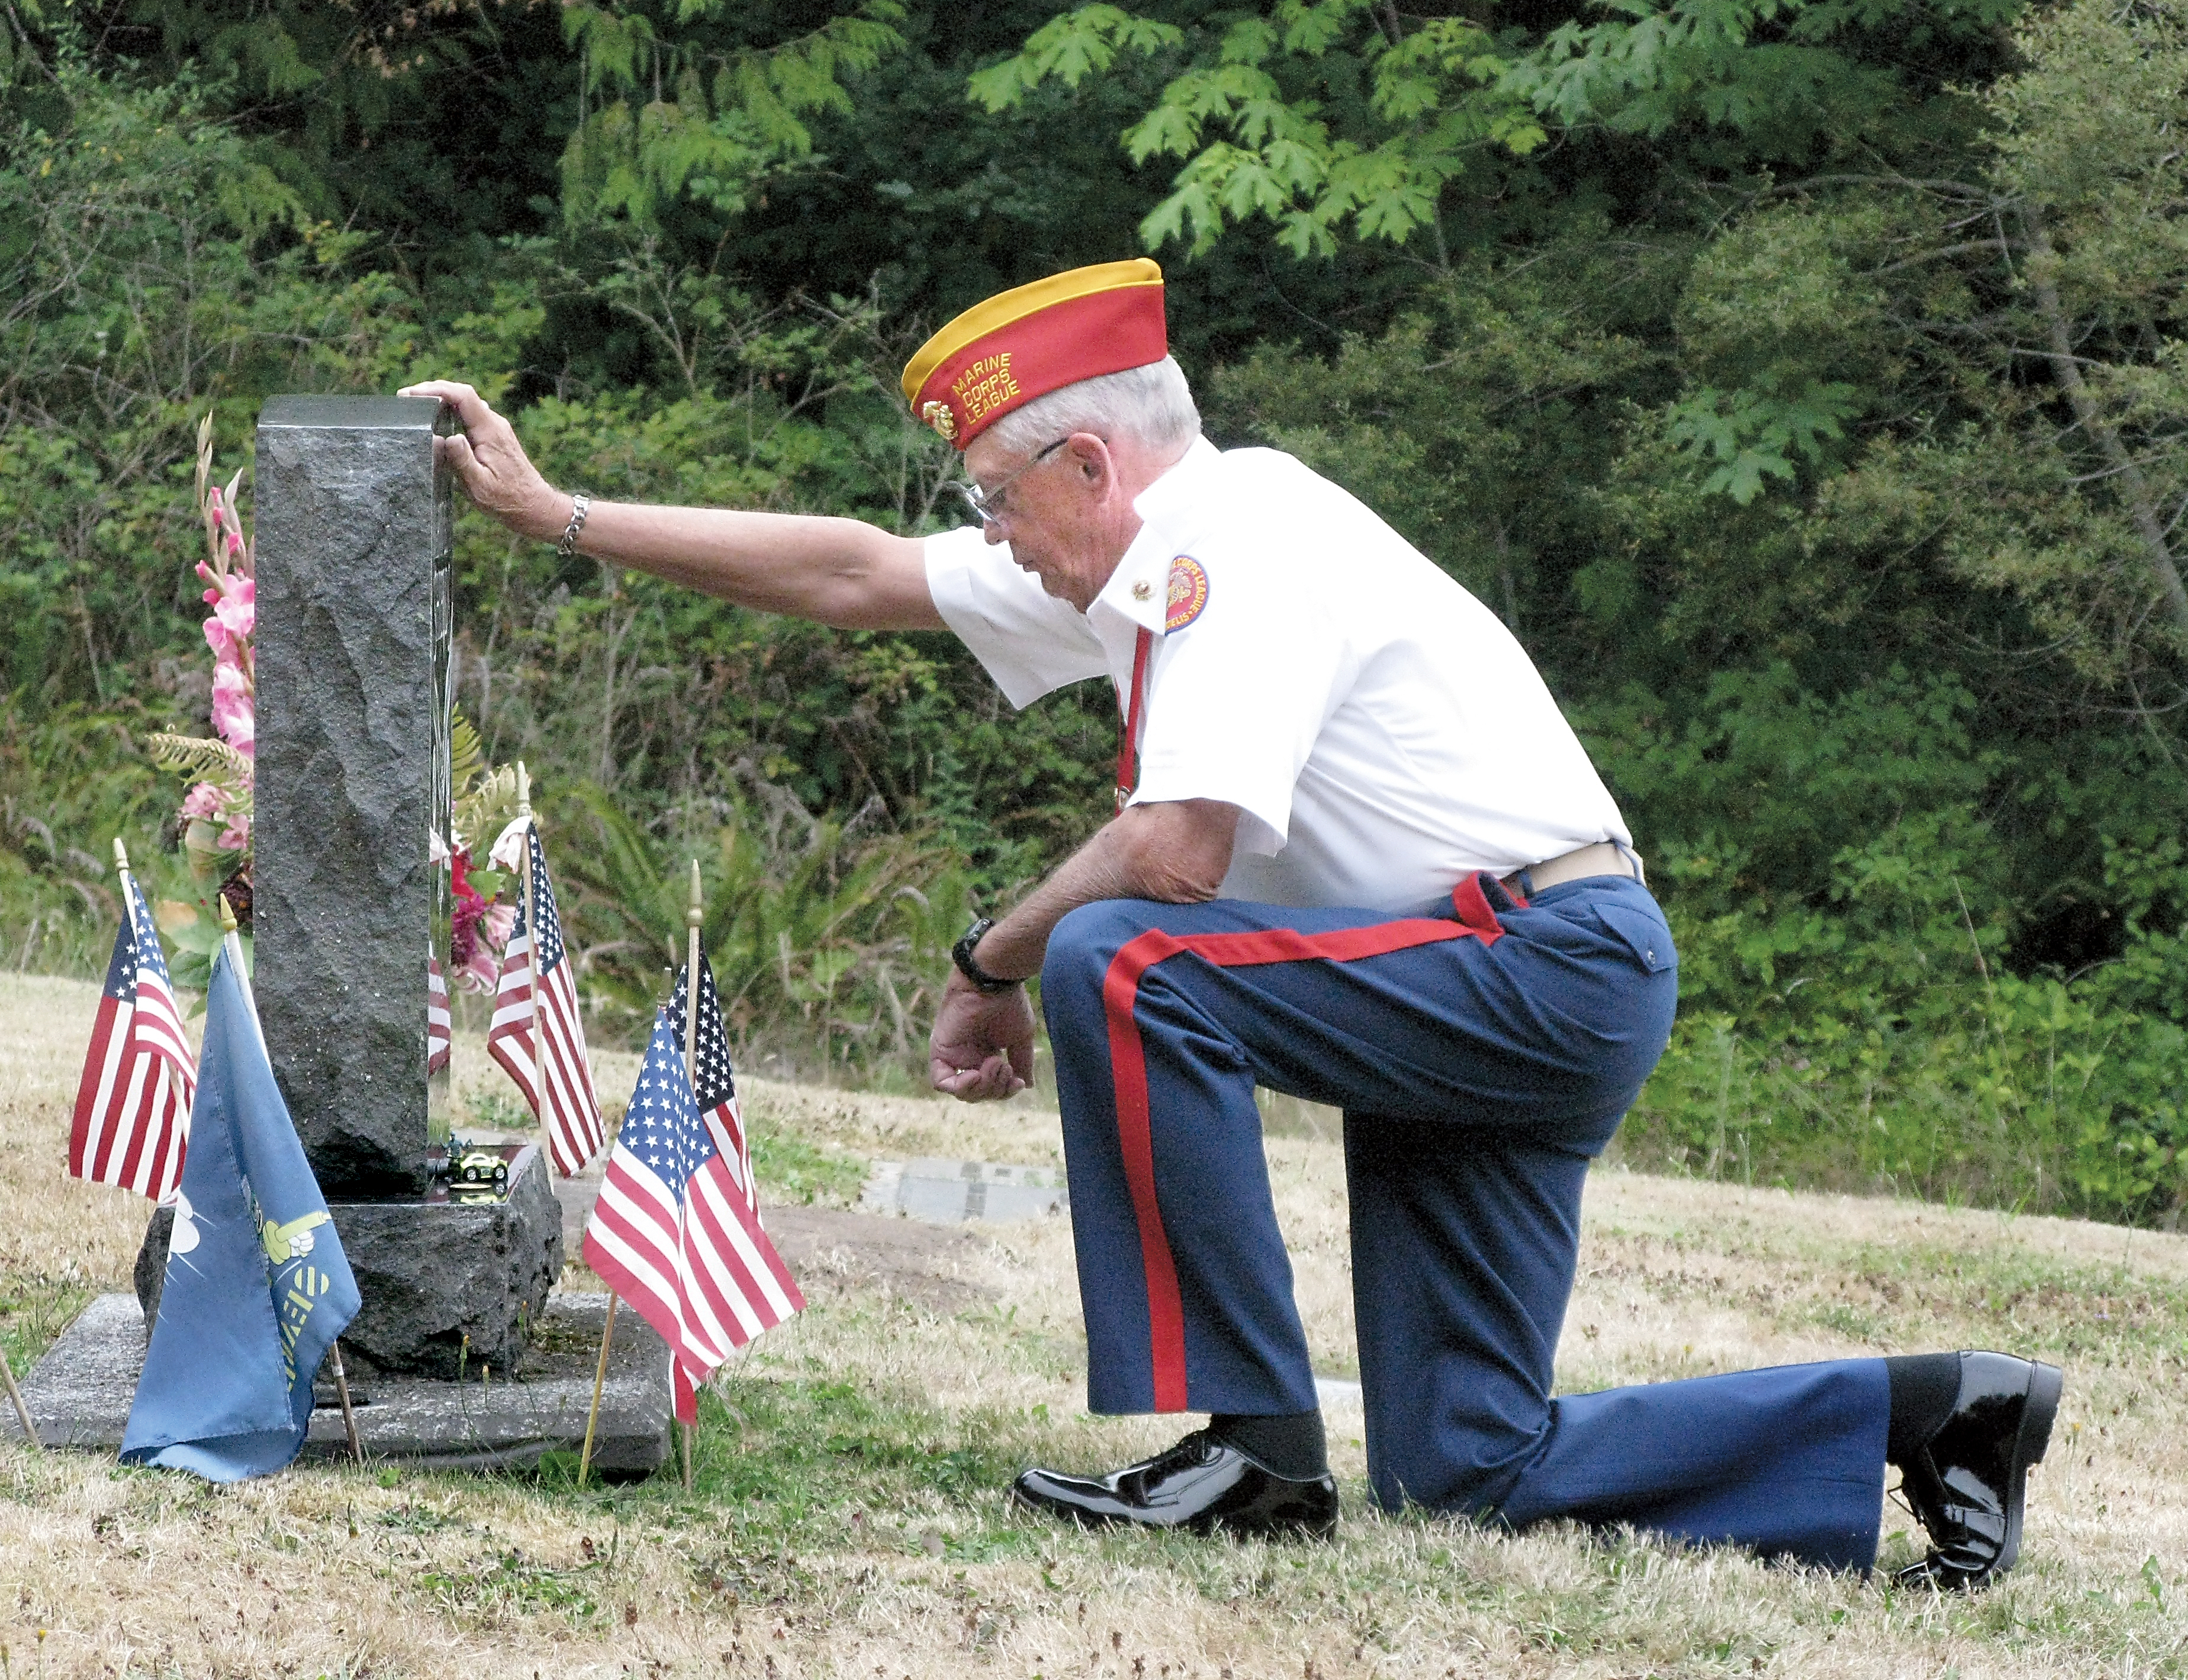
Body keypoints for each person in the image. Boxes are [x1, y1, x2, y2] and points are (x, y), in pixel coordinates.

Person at [401, 257, 2060, 1587]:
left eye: (996, 494)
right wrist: (555, 512)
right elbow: (854, 574)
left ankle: (1254, 1456)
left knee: (1124, 954)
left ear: (1091, 464)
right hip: (1475, 984)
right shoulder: (1120, 562)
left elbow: (1177, 852)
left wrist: (988, 960)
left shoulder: (1239, 545)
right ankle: (1940, 1411)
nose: (989, 536)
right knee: (1471, 1477)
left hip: (1535, 965)